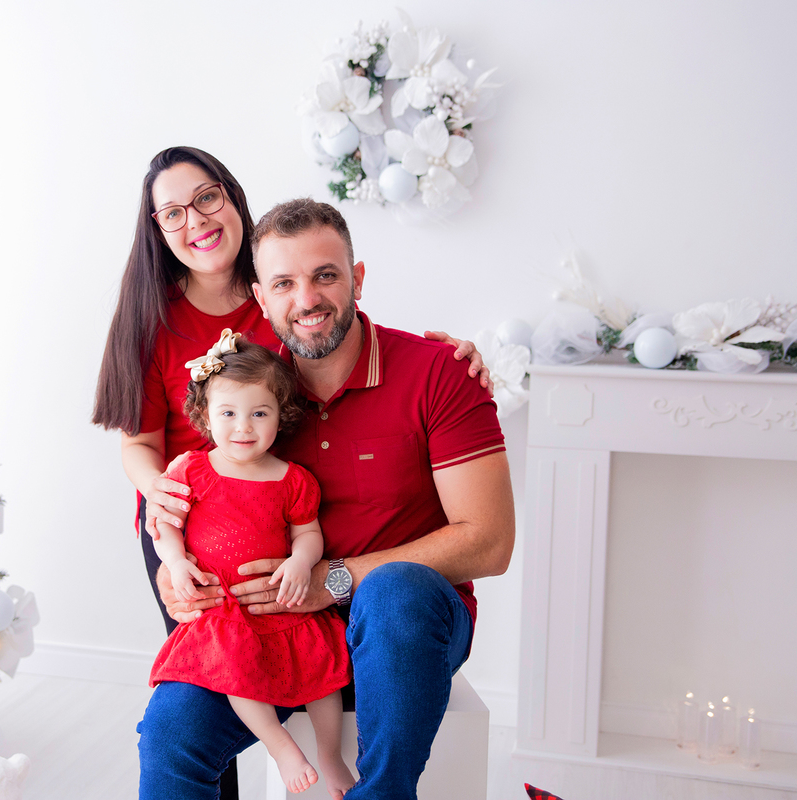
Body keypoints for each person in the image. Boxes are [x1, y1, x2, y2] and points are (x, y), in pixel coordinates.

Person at [137, 199, 516, 799]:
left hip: (403, 628)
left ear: (358, 279)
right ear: (261, 299)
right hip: (269, 631)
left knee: (395, 590)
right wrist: (176, 571)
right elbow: (186, 500)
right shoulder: (250, 398)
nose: (306, 299)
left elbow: (491, 542)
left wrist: (333, 580)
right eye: (284, 283)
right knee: (169, 731)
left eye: (326, 276)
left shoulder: (439, 373)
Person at [91, 146, 491, 637]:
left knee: (286, 652)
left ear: (232, 198)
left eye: (207, 199)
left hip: (272, 507)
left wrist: (447, 361)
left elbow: (346, 336)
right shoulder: (148, 322)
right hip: (187, 518)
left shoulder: (284, 292)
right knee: (214, 667)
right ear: (158, 229)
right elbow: (139, 444)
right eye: (174, 213)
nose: (195, 221)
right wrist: (161, 497)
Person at [148, 333, 354, 797]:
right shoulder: (191, 470)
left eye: (259, 413)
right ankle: (281, 747)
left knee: (324, 670)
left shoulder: (292, 479)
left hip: (281, 601)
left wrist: (302, 563)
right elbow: (164, 527)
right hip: (223, 608)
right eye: (228, 414)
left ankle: (330, 754)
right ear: (205, 415)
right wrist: (177, 565)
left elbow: (308, 534)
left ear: (282, 416)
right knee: (235, 671)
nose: (243, 427)